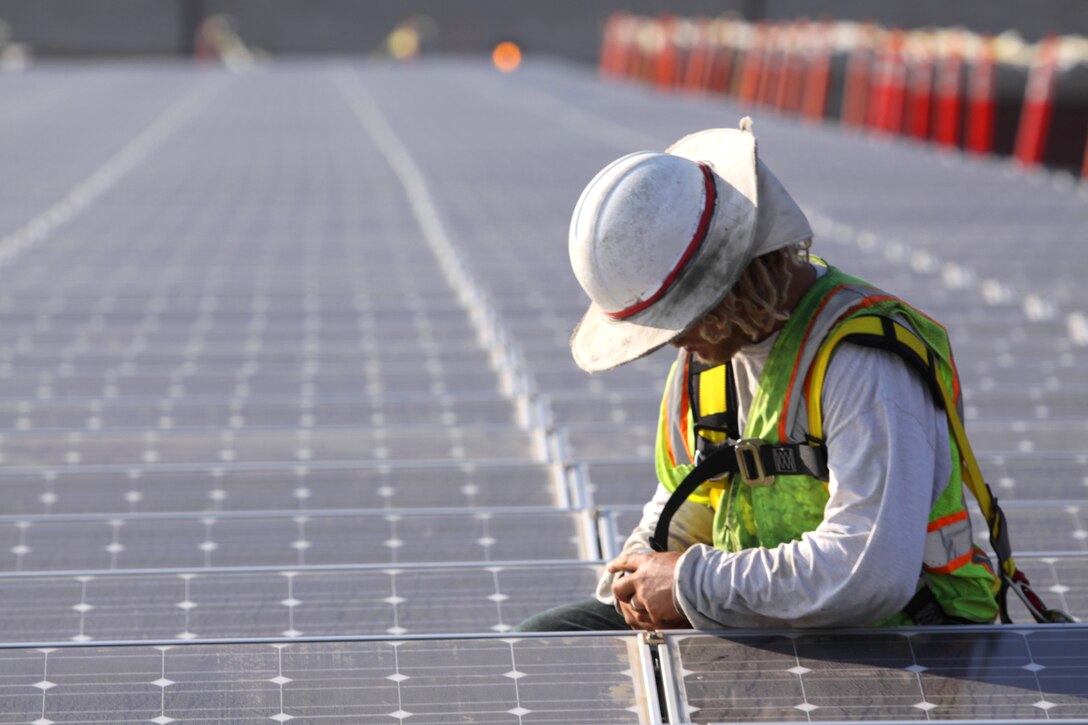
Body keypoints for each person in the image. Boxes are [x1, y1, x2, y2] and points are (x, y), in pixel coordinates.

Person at [515, 119, 1001, 632]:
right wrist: (643, 564)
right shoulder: (708, 358)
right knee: (546, 640)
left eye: (683, 318)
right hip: (760, 620)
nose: (676, 342)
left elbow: (869, 574)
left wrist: (688, 584)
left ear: (736, 274)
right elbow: (687, 497)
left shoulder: (863, 361)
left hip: (898, 645)